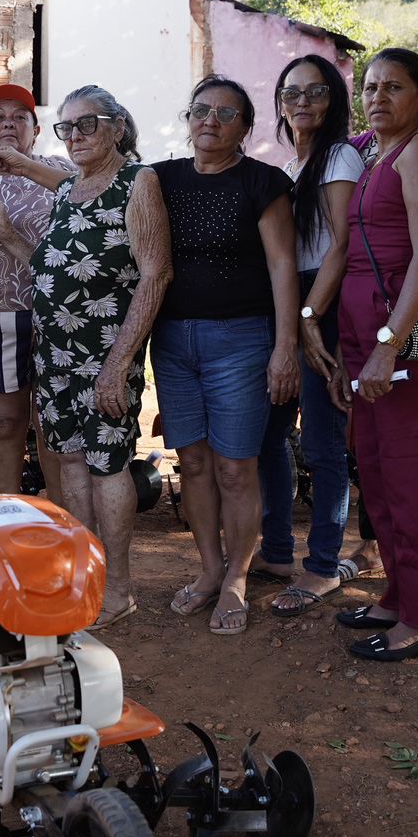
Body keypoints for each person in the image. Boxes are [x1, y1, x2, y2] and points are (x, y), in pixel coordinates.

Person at [0, 85, 171, 628]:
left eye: (89, 125)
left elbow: (156, 274)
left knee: (106, 464)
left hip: (106, 354)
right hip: (57, 354)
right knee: (68, 464)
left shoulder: (138, 182)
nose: (77, 136)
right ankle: (85, 579)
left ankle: (119, 589)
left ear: (117, 127)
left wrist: (118, 363)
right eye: (67, 128)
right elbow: (47, 265)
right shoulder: (71, 190)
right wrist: (5, 234)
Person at [152, 75, 299, 636]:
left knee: (237, 466)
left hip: (241, 341)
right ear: (187, 118)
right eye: (201, 110)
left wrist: (284, 347)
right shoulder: (160, 179)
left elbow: (284, 266)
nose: (211, 120)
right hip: (172, 343)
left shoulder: (264, 183)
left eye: (227, 113)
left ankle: (238, 576)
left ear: (246, 127)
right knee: (191, 462)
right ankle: (210, 569)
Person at [330, 48, 418, 662]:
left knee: (411, 477)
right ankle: (397, 594)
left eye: (395, 87)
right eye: (371, 87)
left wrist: (388, 346)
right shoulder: (371, 153)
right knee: (377, 471)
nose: (379, 97)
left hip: (403, 336)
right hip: (363, 335)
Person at [256, 56, 366, 617]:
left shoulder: (339, 156)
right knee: (270, 431)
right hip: (290, 301)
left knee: (323, 442)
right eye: (291, 92)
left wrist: (308, 318)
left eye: (315, 92)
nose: (302, 102)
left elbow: (342, 246)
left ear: (335, 101)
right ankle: (276, 550)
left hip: (324, 299)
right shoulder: (291, 164)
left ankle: (322, 565)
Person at [0, 82, 73, 502]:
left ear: (36, 129)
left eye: (19, 117)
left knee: (51, 421)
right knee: (4, 422)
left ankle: (58, 517)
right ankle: (6, 518)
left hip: (56, 314)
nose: (9, 123)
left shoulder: (58, 170)